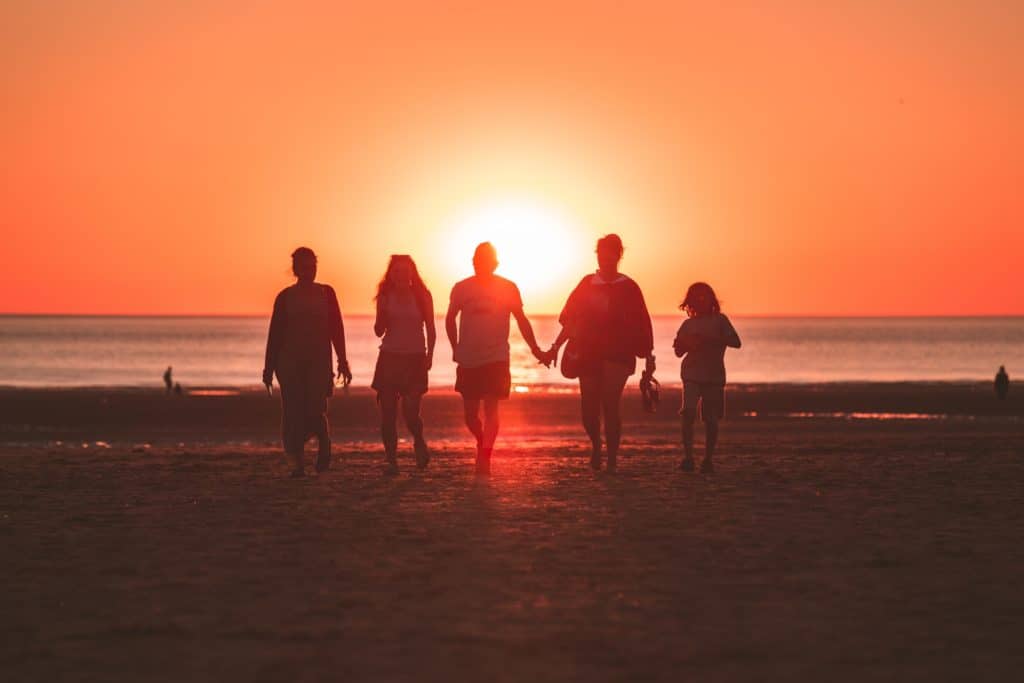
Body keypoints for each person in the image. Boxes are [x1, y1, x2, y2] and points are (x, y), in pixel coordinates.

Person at [545, 234, 654, 473]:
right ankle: (596, 445)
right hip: (587, 352)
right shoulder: (587, 284)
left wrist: (648, 357)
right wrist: (556, 346)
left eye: (610, 252)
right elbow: (570, 321)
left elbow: (642, 322)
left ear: (618, 254)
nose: (605, 257)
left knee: (610, 403)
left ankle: (612, 459)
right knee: (589, 408)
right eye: (600, 252)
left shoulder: (629, 287)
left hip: (619, 354)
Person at [446, 242, 548, 475]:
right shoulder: (462, 288)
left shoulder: (508, 287)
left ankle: (486, 455)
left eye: (484, 260)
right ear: (472, 262)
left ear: (494, 263)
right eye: (476, 260)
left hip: (496, 357)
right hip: (469, 358)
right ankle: (482, 441)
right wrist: (455, 347)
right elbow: (450, 318)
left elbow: (521, 319)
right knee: (470, 415)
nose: (479, 264)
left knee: (491, 408)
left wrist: (535, 349)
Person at [263, 247, 352, 478]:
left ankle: (324, 440)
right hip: (289, 363)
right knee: (293, 412)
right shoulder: (285, 297)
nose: (309, 271)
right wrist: (268, 368)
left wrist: (343, 360)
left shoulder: (326, 293)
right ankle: (298, 464)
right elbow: (275, 334)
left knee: (315, 409)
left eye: (313, 266)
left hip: (319, 362)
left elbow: (337, 328)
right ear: (295, 270)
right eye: (304, 267)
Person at [372, 255, 436, 474]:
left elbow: (430, 327)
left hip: (415, 357)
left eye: (405, 271)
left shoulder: (422, 296)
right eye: (397, 271)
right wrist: (383, 312)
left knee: (410, 412)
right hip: (389, 357)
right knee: (387, 413)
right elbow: (378, 331)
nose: (401, 275)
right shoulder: (385, 296)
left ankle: (418, 441)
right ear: (391, 274)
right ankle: (391, 461)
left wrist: (430, 355)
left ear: (412, 273)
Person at [673, 282, 741, 474]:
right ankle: (688, 457)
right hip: (691, 373)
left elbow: (736, 342)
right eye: (697, 297)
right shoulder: (688, 324)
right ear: (690, 302)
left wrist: (710, 340)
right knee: (688, 413)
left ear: (712, 299)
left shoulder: (720, 321)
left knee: (711, 419)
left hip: (713, 375)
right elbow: (678, 351)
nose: (701, 301)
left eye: (705, 297)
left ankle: (708, 459)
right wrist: (686, 344)